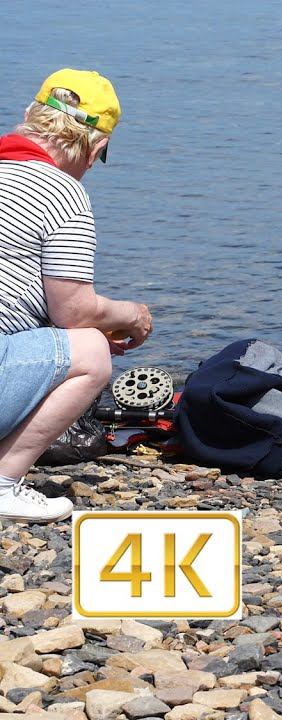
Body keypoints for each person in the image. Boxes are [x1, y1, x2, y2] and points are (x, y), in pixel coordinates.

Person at [0, 69, 152, 523]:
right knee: (90, 350)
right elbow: (75, 311)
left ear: (30, 116)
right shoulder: (61, 191)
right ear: (95, 146)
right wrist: (131, 316)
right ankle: (4, 483)